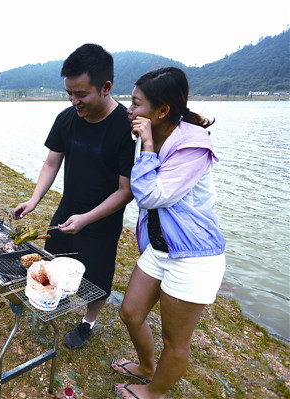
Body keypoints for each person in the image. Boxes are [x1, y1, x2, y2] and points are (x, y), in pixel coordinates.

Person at [112, 67, 226, 399]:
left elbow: (149, 195)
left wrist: (146, 144)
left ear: (161, 111)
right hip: (162, 249)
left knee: (175, 341)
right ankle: (147, 368)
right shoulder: (160, 136)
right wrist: (147, 142)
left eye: (135, 104)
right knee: (130, 313)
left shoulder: (192, 147)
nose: (129, 110)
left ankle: (154, 392)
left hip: (194, 257)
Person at [12, 44, 135, 349]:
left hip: (102, 220)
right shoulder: (67, 118)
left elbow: (126, 190)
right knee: (53, 262)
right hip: (68, 210)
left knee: (97, 279)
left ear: (105, 88)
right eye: (69, 93)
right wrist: (34, 200)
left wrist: (88, 219)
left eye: (81, 94)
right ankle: (54, 300)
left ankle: (87, 323)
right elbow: (52, 162)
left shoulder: (126, 128)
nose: (73, 100)